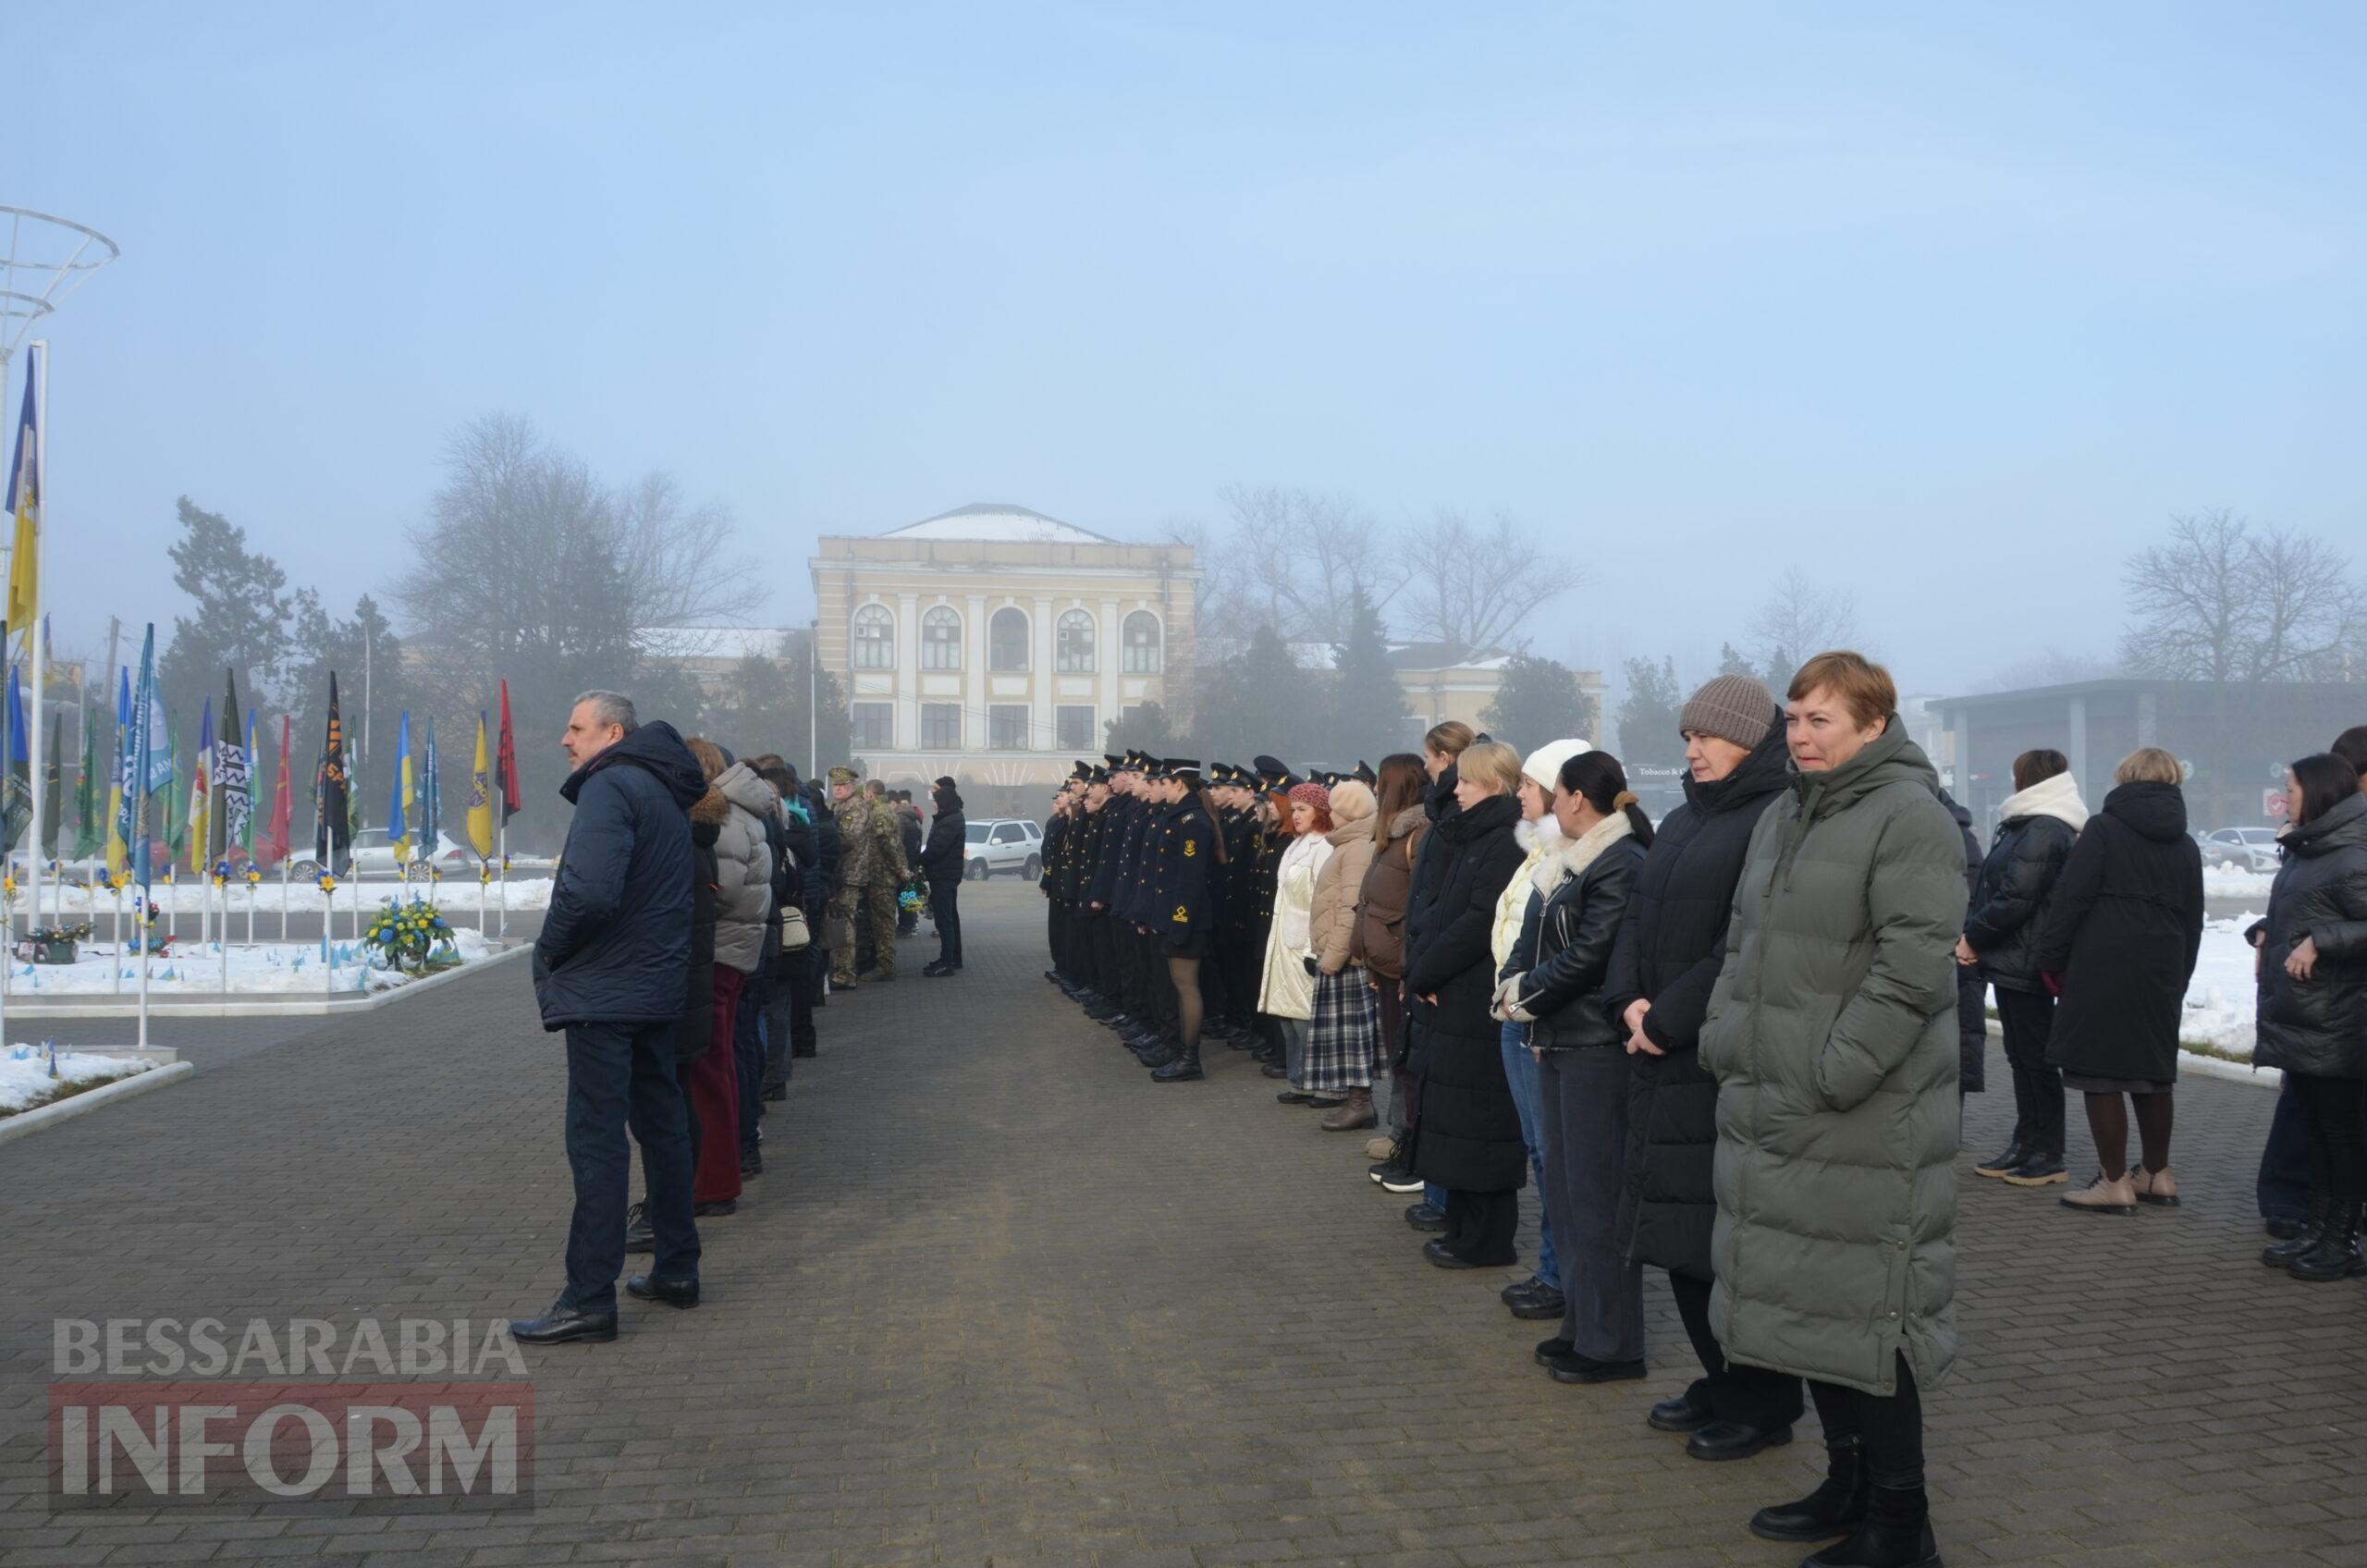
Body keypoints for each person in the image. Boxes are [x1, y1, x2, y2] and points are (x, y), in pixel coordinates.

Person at [1699, 651, 1963, 1566]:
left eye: (1821, 721)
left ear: (1873, 725)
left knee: (1867, 1318)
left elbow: (1912, 968)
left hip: (1860, 1118)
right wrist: (1725, 1038)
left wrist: (1833, 1069)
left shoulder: (1909, 818)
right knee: (1812, 1311)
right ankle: (1847, 1482)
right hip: (1780, 1105)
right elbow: (1743, 947)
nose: (1801, 736)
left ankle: (1901, 1526)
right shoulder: (1786, 813)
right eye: (1795, 719)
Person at [1605, 673, 1802, 1463]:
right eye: (1688, 735)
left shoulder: (1772, 820)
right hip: (1659, 1055)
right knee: (1682, 1240)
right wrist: (1627, 999)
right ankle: (1723, 1381)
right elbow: (1637, 913)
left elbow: (1747, 942)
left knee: (1727, 1247)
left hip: (1712, 1060)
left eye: (1709, 735)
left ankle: (1764, 1402)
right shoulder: (1687, 816)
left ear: (1752, 740)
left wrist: (1669, 1017)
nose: (1693, 747)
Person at [515, 692, 705, 1344]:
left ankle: (588, 1297)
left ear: (612, 731)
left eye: (575, 728)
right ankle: (677, 1268)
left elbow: (589, 891)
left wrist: (550, 952)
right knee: (663, 1127)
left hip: (606, 992)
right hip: (654, 984)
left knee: (596, 1142)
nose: (566, 740)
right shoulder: (663, 792)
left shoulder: (610, 786)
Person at [1499, 749, 1650, 1384]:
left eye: (1553, 793)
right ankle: (1581, 1327)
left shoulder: (1621, 862)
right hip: (1558, 1041)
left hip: (1596, 1048)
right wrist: (1516, 988)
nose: (1548, 804)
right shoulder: (1570, 862)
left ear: (1577, 798)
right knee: (1563, 1193)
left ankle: (1614, 1345)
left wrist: (1524, 993)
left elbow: (1591, 954)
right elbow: (1534, 939)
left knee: (1596, 1198)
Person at [2031, 747, 2204, 1216]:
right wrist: (2180, 975)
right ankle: (2156, 1174)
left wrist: (2049, 958)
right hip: (2163, 964)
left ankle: (2112, 1182)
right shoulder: (2186, 844)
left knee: (2099, 1071)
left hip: (2104, 960)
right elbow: (2194, 919)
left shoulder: (2104, 830)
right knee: (2153, 1073)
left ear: (2125, 779)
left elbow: (2072, 897)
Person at [1403, 740, 1531, 1269]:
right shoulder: (1471, 834)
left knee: (1480, 1123)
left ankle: (1485, 1240)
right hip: (1450, 994)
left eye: (1468, 781)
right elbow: (1440, 910)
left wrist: (1425, 970)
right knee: (1455, 1121)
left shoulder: (1501, 841)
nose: (1456, 788)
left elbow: (1479, 923)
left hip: (1473, 996)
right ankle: (1461, 1227)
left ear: (1495, 785)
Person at [2250, 752, 2367, 1280]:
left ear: (2317, 792)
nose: (2285, 796)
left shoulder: (2352, 854)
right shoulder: (2309, 850)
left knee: (2338, 1135)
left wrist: (2323, 940)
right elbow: (2300, 912)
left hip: (2337, 1021)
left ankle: (2341, 1241)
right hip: (2302, 1017)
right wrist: (2264, 931)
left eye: (2291, 787)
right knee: (2319, 1134)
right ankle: (2318, 1230)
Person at [1486, 738, 1590, 1321]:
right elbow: (1518, 931)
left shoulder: (1576, 858)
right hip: (1515, 1013)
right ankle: (1554, 1268)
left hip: (1540, 1019)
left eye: (1528, 784)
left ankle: (1559, 1274)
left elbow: (1567, 947)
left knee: (1554, 1155)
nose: (1518, 792)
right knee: (1539, 1151)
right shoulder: (1537, 852)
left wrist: (1524, 994)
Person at [1959, 750, 2085, 1187]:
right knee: (2021, 1056)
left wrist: (1973, 936)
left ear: (2026, 780)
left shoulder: (2044, 828)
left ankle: (2048, 1151)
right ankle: (2027, 1141)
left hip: (2029, 959)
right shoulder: (2031, 825)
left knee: (2035, 1058)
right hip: (2016, 956)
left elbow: (2017, 897)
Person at [1400, 722, 1478, 1231]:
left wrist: (1427, 964)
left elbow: (1456, 907)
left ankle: (1445, 1195)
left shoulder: (1459, 819)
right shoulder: (1443, 813)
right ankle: (1434, 1185)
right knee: (1425, 1081)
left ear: (1447, 758)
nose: (1425, 766)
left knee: (1448, 1095)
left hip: (1441, 969)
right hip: (1425, 957)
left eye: (1430, 757)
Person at [1356, 755, 1431, 1192]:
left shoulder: (1415, 833)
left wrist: (1406, 968)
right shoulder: (1393, 831)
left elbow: (1415, 907)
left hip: (1402, 965)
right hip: (1386, 963)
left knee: (1406, 1058)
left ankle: (1408, 1139)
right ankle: (1400, 1133)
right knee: (1395, 1054)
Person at [710, 750, 778, 1182]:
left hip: (725, 944)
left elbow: (725, 890)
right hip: (744, 940)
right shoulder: (747, 812)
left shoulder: (730, 819)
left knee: (730, 1052)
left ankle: (739, 1148)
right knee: (740, 1045)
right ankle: (743, 1142)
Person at [1303, 777, 1380, 1126]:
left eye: (1334, 809)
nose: (1329, 815)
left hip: (1346, 960)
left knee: (1353, 1035)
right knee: (1345, 1035)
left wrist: (1332, 956)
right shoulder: (1348, 845)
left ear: (1347, 813)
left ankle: (1360, 1102)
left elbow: (1351, 907)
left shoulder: (1358, 848)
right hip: (1339, 956)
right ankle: (1354, 1100)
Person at [1148, 759, 1227, 1083]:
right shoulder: (1182, 816)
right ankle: (1183, 1053)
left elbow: (1190, 881)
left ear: (1179, 783)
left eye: (1165, 782)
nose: (1161, 787)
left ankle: (1189, 1059)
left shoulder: (1193, 821)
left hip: (1187, 919)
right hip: (1175, 917)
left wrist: (1179, 924)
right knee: (1181, 986)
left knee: (1187, 986)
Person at [1260, 780, 1337, 1104]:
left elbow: (1324, 902)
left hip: (1305, 941)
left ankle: (1321, 1083)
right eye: (1294, 809)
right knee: (1286, 1017)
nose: (1297, 815)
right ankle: (1298, 1081)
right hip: (1283, 941)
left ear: (1320, 811)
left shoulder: (1324, 847)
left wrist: (1313, 947)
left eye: (1303, 809)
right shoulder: (1296, 844)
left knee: (1305, 1019)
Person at [922, 776, 967, 977]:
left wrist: (917, 859)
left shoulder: (950, 820)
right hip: (944, 874)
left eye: (936, 801)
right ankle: (949, 958)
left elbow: (937, 848)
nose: (934, 805)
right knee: (948, 918)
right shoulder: (949, 817)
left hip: (944, 875)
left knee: (945, 920)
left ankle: (947, 962)